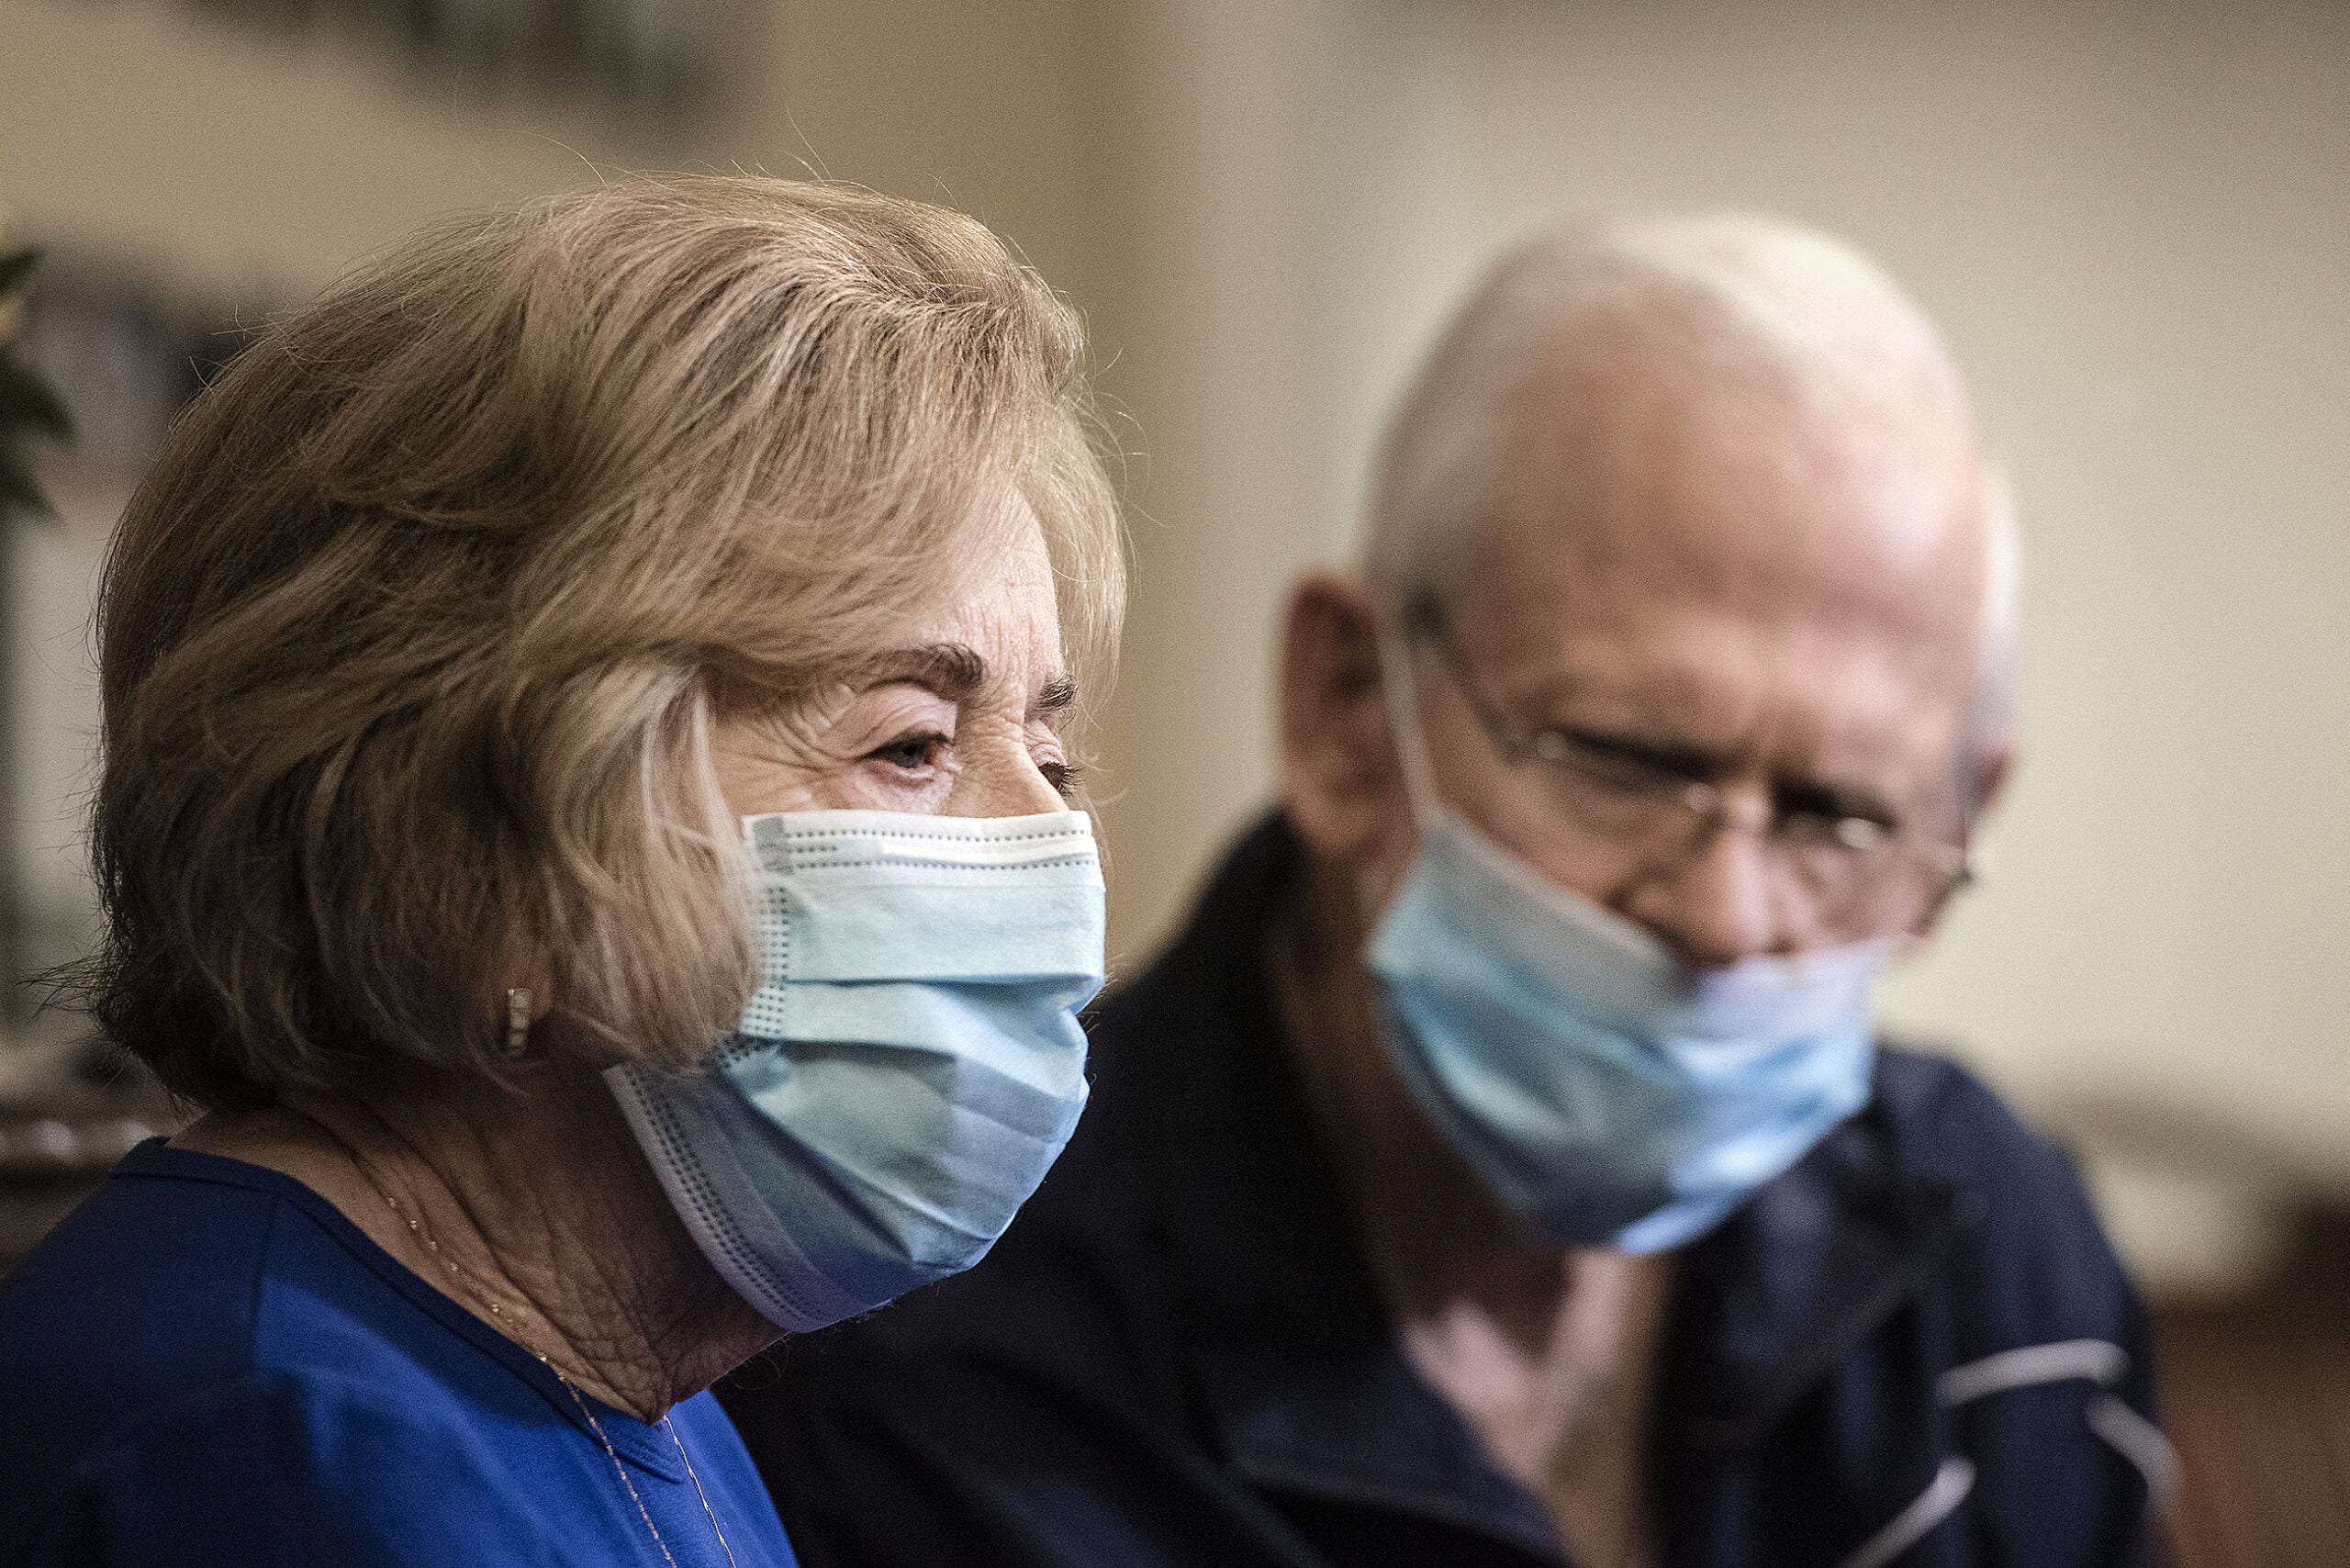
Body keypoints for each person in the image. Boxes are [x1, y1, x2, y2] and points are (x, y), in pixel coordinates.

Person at [721, 213, 2174, 1567]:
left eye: (1840, 814)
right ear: (1348, 709)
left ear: (1963, 821)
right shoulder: (929, 1362)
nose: (1729, 917)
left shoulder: (2002, 1280)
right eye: (1622, 756)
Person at [0, 175, 1124, 1566]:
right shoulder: (276, 1462)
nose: (1046, 841)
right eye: (911, 743)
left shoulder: (627, 1395)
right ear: (484, 828)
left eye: (1050, 756)